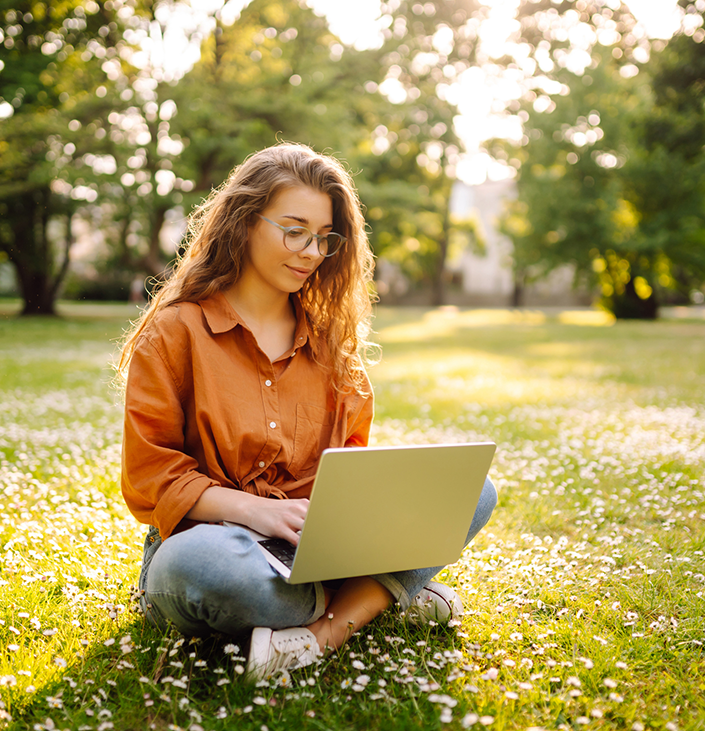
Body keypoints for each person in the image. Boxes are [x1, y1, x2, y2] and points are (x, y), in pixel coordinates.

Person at [116, 142, 496, 681]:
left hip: (315, 548)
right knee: (200, 567)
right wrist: (257, 513)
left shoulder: (331, 343)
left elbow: (351, 472)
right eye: (294, 231)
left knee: (475, 492)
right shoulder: (176, 331)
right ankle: (379, 596)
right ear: (245, 223)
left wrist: (347, 523)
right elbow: (150, 477)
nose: (311, 252)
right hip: (219, 545)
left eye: (324, 237)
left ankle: (325, 633)